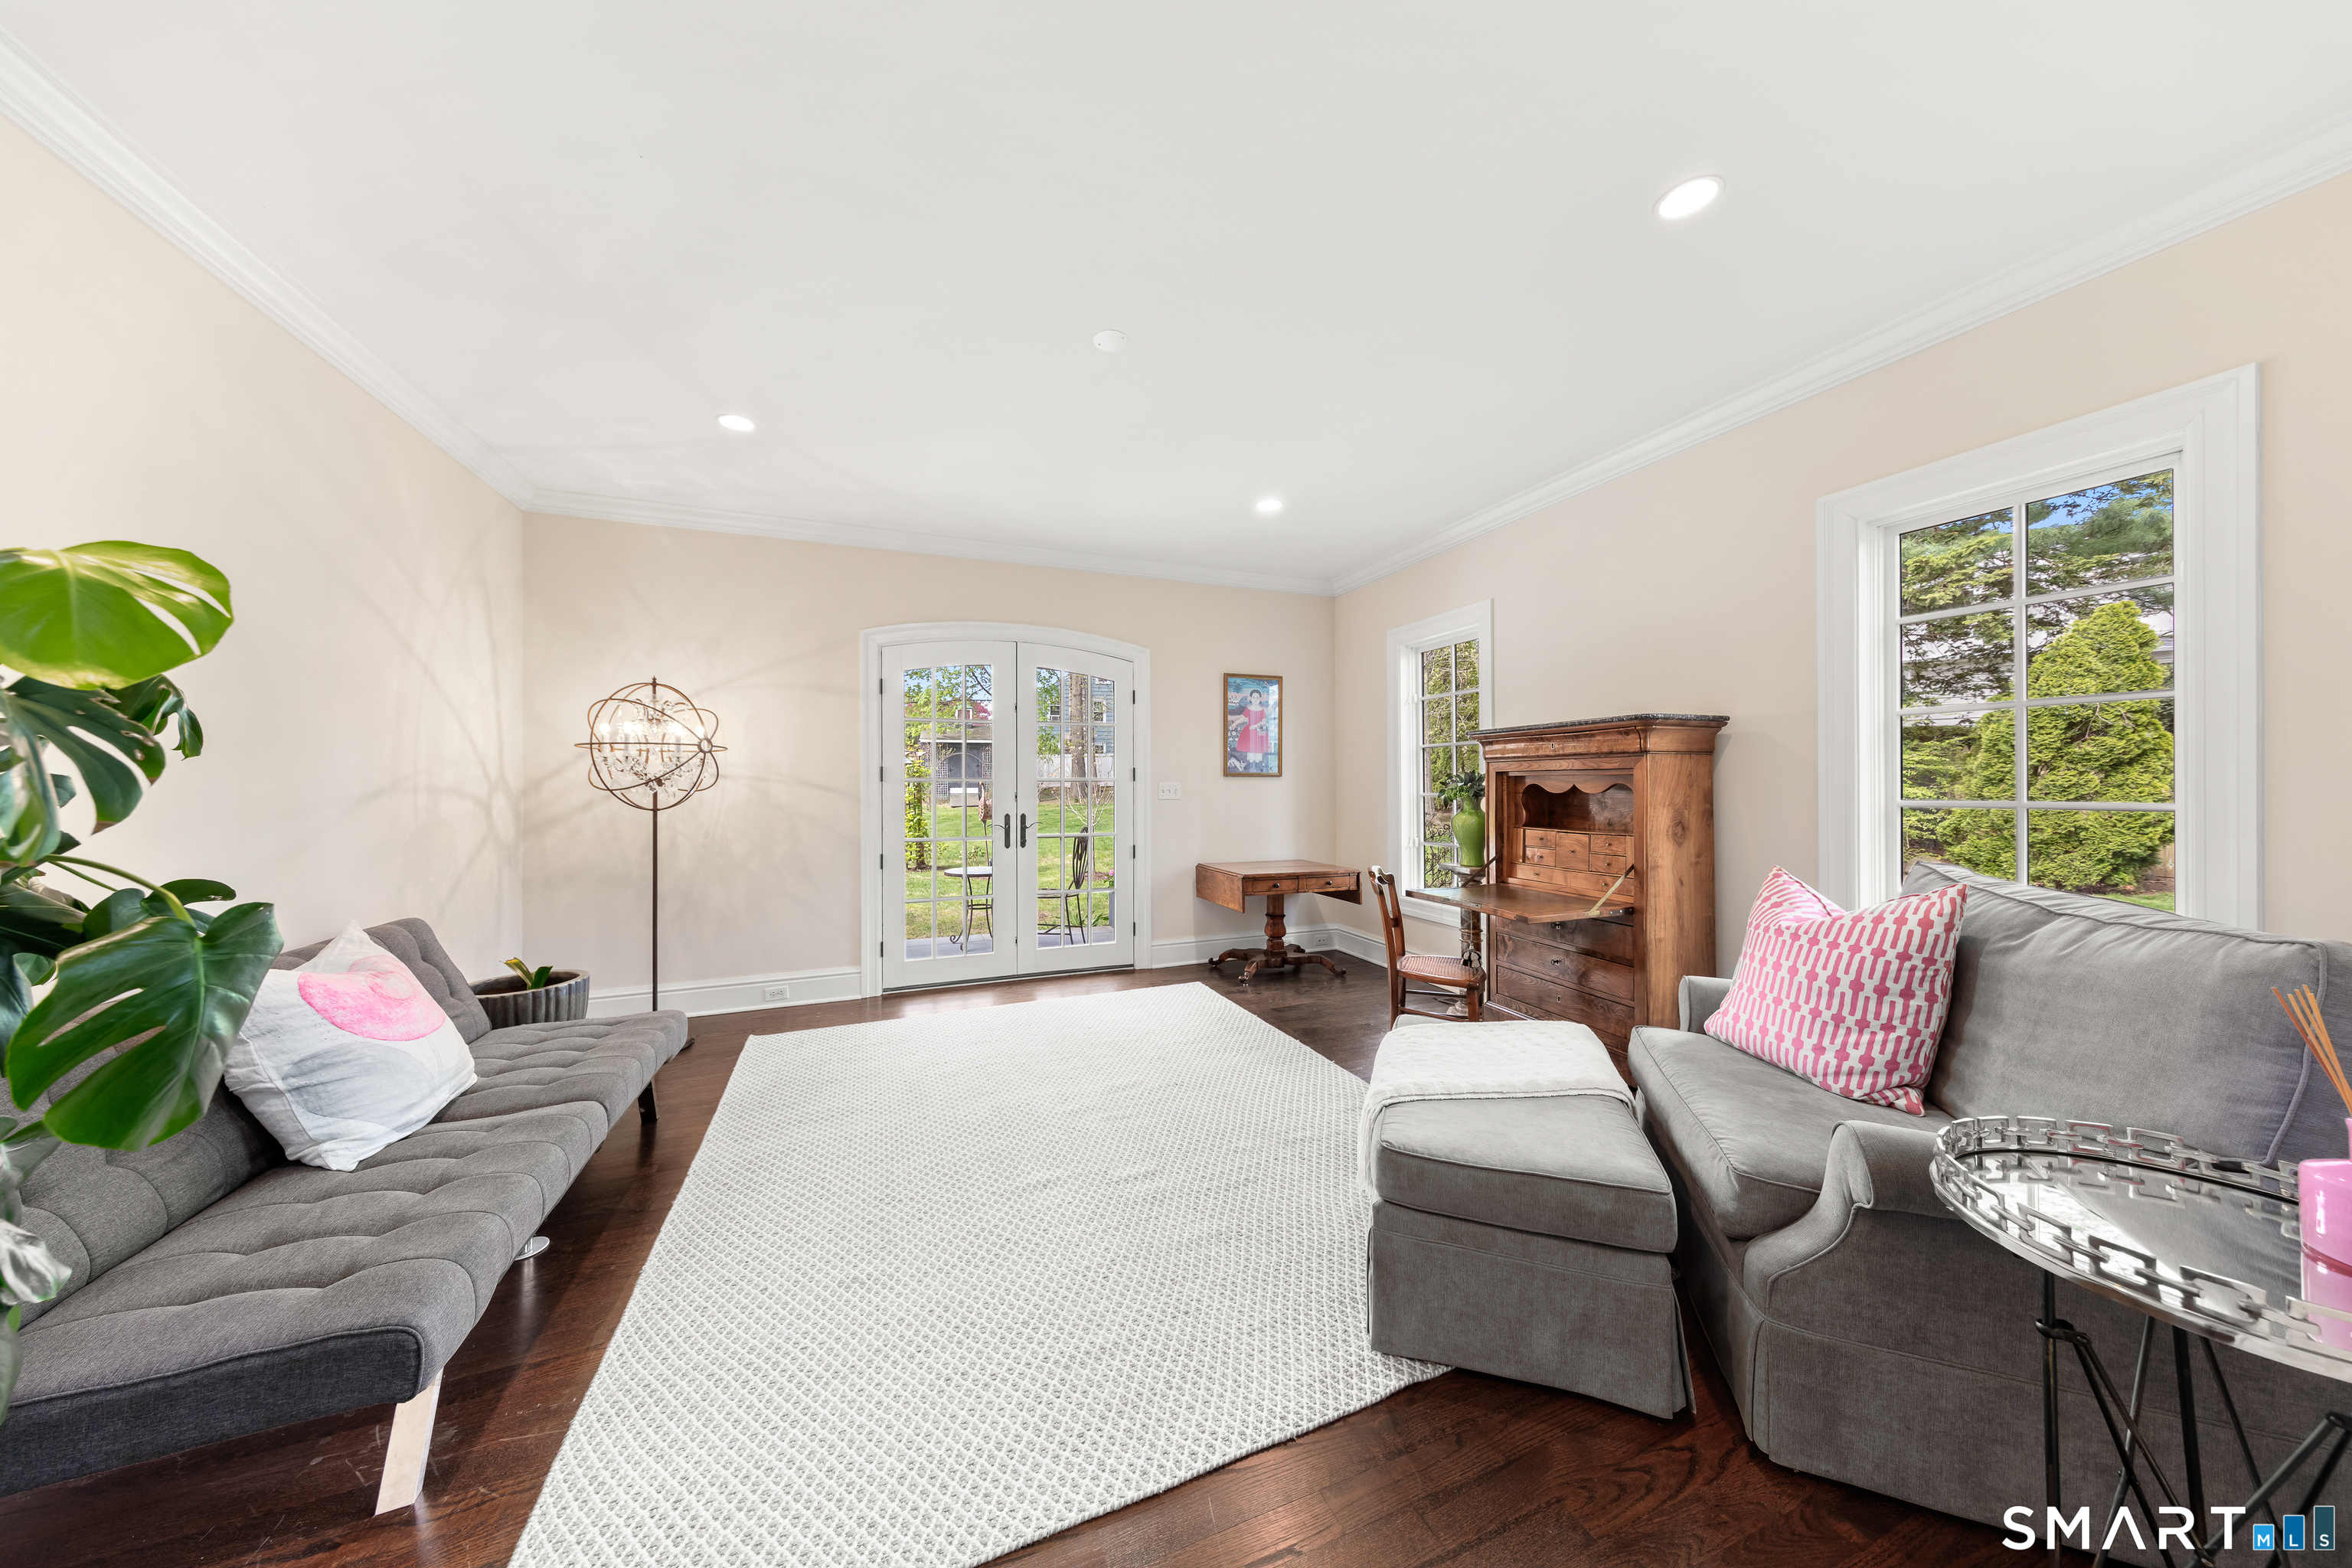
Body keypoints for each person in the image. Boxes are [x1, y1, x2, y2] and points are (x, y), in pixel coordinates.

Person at [1234, 684, 1272, 772]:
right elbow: (1243, 718)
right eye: (1254, 697)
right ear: (1251, 698)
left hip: (1259, 730)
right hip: (1249, 731)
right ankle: (1251, 763)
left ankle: (1258, 764)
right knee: (1250, 746)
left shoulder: (1261, 710)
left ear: (1260, 699)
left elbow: (1264, 721)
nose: (1256, 699)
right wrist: (1235, 723)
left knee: (1259, 746)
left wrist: (1255, 726)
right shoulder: (1249, 709)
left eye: (1257, 698)